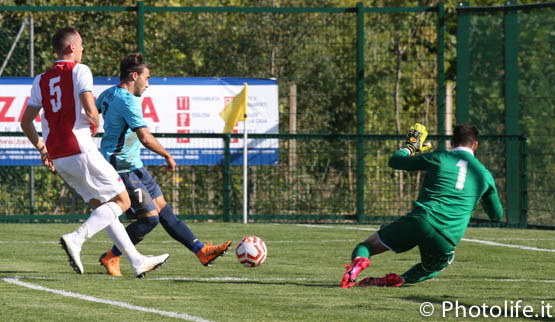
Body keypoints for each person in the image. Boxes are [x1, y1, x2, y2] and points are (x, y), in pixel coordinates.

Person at [20, 27, 169, 278]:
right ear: (71, 48)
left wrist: (42, 148)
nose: (82, 49)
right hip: (79, 147)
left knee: (105, 205)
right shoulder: (80, 70)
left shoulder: (40, 79)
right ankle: (77, 239)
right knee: (123, 201)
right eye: (81, 45)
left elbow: (26, 123)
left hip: (58, 154)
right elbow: (91, 112)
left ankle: (136, 261)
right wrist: (94, 124)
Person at [95, 53, 232, 276]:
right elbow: (145, 137)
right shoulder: (127, 101)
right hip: (121, 167)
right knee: (150, 219)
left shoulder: (109, 94)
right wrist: (167, 155)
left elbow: (93, 111)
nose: (148, 84)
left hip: (134, 164)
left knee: (165, 211)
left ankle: (201, 251)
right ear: (133, 76)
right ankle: (112, 256)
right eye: (146, 78)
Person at [341, 123, 503, 288]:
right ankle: (400, 279)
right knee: (433, 266)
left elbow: (396, 161)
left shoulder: (440, 156)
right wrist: (481, 196)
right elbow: (496, 215)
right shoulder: (484, 175)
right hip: (447, 236)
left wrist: (411, 147)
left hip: (421, 220)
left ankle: (358, 263)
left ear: (452, 142)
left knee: (366, 246)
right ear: (475, 145)